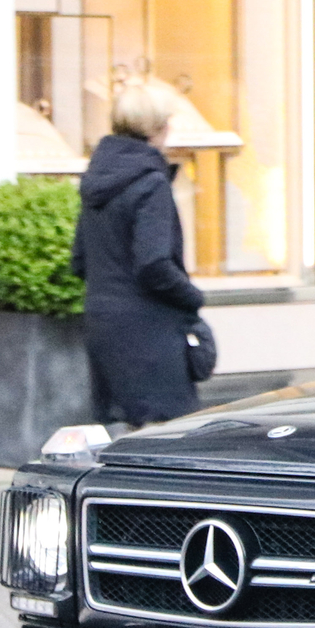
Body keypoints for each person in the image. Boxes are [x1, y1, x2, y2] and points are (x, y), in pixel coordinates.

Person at [72, 81, 207, 427]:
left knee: (118, 435)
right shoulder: (150, 183)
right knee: (167, 437)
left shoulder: (96, 179)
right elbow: (154, 264)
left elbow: (80, 260)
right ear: (159, 128)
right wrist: (192, 297)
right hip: (151, 330)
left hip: (103, 323)